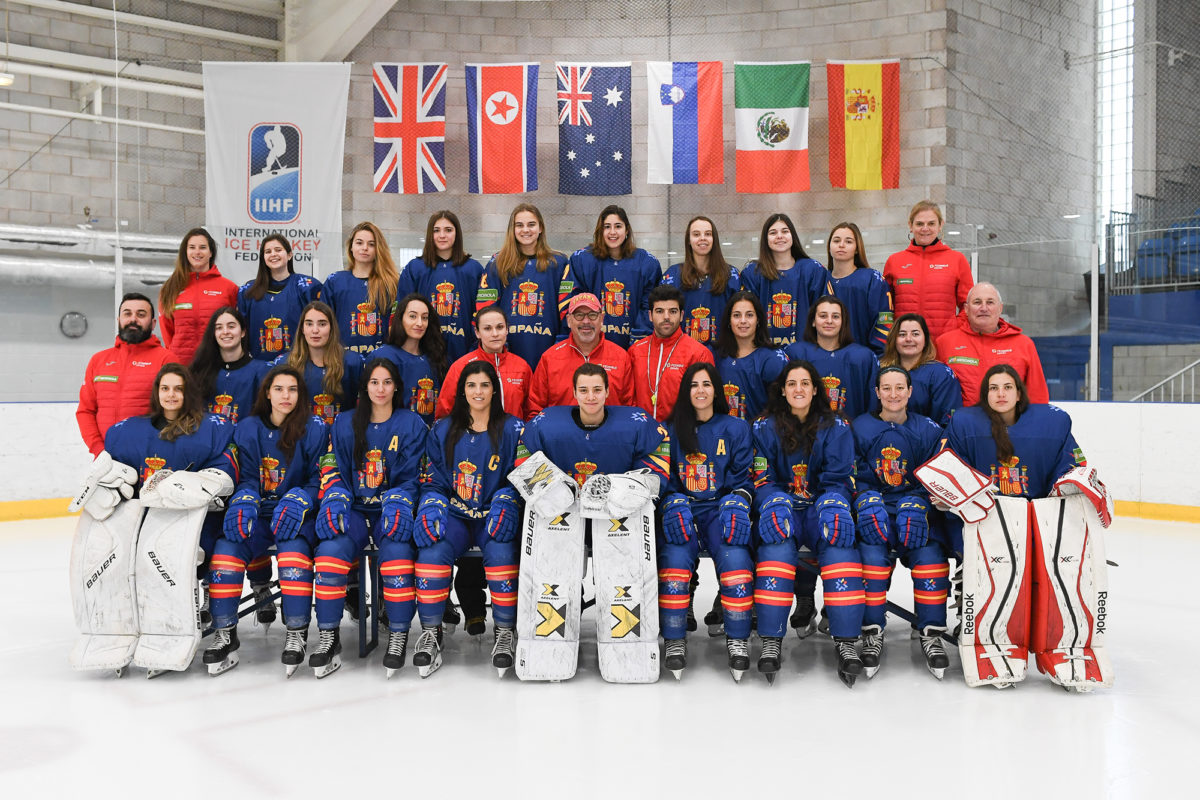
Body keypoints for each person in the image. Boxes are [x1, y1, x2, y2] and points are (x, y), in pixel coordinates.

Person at [939, 364, 1107, 689]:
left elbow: (1073, 466)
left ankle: (1058, 641)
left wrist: (1073, 485)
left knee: (1060, 575)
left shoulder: (1053, 423)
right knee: (989, 576)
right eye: (993, 388)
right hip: (986, 524)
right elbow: (951, 468)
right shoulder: (964, 423)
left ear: (1019, 393)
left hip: (1038, 523)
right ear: (985, 394)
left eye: (1007, 387)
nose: (1001, 394)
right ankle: (987, 636)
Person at [202, 365, 329, 676]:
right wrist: (244, 497)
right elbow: (244, 476)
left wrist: (303, 497)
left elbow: (319, 478)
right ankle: (225, 632)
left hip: (298, 515)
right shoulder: (246, 428)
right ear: (267, 393)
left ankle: (297, 633)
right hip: (258, 513)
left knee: (293, 556)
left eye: (292, 389)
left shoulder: (315, 427)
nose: (286, 396)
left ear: (301, 394)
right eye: (279, 389)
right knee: (226, 551)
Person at [311, 358, 429, 678]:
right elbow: (330, 466)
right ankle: (328, 636)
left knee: (396, 553)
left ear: (397, 387)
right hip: (355, 508)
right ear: (364, 387)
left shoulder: (412, 423)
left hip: (392, 511)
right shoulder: (345, 422)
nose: (381, 389)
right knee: (331, 551)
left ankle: (399, 634)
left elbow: (417, 476)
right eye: (374, 382)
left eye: (387, 382)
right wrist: (335, 495)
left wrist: (402, 499)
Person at [750, 359, 863, 686]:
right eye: (792, 384)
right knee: (775, 548)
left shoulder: (837, 426)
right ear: (783, 391)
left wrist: (833, 501)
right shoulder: (762, 426)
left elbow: (841, 477)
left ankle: (846, 641)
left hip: (819, 507)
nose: (798, 389)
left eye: (804, 383)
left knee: (840, 544)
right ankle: (771, 638)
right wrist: (772, 499)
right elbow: (761, 476)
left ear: (815, 389)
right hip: (782, 507)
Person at [408, 362, 525, 677]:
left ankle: (504, 632)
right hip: (457, 514)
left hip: (494, 517)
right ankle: (432, 632)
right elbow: (431, 479)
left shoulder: (514, 429)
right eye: (471, 385)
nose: (478, 391)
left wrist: (509, 499)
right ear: (462, 390)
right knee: (432, 551)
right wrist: (432, 502)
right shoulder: (444, 429)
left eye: (485, 385)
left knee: (502, 553)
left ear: (494, 390)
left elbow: (524, 477)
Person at [657, 363, 756, 681]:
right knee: (673, 562)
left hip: (719, 509)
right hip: (682, 508)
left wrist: (737, 501)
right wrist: (672, 500)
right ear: (686, 392)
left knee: (736, 559)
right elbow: (662, 477)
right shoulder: (669, 429)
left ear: (716, 390)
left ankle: (738, 639)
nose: (700, 390)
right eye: (694, 385)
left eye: (706, 384)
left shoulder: (736, 427)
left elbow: (744, 478)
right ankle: (673, 640)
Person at [851, 366, 949, 680]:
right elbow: (848, 473)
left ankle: (930, 630)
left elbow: (937, 477)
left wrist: (919, 501)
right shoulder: (859, 428)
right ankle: (871, 630)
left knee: (931, 559)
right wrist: (865, 499)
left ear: (909, 392)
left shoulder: (930, 430)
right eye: (887, 388)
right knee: (871, 562)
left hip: (915, 513)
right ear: (877, 392)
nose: (893, 395)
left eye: (900, 388)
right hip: (874, 511)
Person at [102, 363, 237, 576]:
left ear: (188, 392)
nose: (171, 394)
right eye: (165, 388)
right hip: (149, 518)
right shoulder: (129, 432)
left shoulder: (212, 428)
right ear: (157, 392)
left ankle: (209, 593)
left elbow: (224, 471)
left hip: (196, 519)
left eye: (178, 388)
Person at [515, 362, 670, 495]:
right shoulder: (545, 423)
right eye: (583, 390)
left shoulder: (638, 422)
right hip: (561, 511)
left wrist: (627, 493)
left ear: (607, 392)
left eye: (597, 390)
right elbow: (525, 453)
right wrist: (556, 496)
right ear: (574, 393)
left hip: (618, 512)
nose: (591, 397)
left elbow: (657, 464)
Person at [76, 292, 178, 456]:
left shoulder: (166, 360)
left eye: (141, 314)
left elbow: (177, 412)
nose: (133, 319)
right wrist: (99, 450)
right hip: (106, 458)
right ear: (118, 320)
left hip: (152, 458)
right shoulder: (99, 360)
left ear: (153, 324)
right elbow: (85, 411)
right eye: (127, 313)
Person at [476, 203, 568, 369]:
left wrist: (560, 345)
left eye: (531, 224)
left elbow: (566, 309)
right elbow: (485, 309)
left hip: (548, 350)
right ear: (512, 229)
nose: (526, 230)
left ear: (541, 228)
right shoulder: (497, 263)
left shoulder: (559, 263)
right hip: (508, 352)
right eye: (519, 225)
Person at [562, 205, 662, 348]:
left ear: (627, 230)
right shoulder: (581, 260)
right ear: (600, 231)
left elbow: (651, 306)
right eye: (607, 227)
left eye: (618, 226)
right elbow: (571, 300)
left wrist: (639, 338)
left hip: (633, 346)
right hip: (591, 345)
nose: (612, 232)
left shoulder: (647, 263)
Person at [935, 282, 1050, 407]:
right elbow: (936, 391)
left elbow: (1038, 397)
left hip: (1009, 424)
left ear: (1000, 308)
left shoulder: (1024, 344)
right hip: (963, 424)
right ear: (966, 309)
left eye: (990, 302)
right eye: (977, 302)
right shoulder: (945, 343)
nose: (984, 308)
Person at [526, 292, 634, 418]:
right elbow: (534, 411)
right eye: (579, 315)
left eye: (592, 315)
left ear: (602, 319)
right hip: (560, 436)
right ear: (569, 321)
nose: (586, 321)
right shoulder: (549, 358)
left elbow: (630, 410)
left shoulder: (621, 357)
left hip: (608, 436)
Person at [397, 211, 485, 363]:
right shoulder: (415, 268)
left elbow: (482, 313)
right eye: (436, 230)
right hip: (423, 351)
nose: (442, 235)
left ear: (457, 233)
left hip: (464, 351)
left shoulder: (474, 269)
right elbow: (401, 312)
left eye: (448, 230)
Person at [882, 200, 973, 340]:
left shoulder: (957, 260)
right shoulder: (894, 261)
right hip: (905, 344)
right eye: (919, 224)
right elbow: (884, 307)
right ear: (910, 226)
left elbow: (969, 305)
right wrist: (892, 333)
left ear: (940, 225)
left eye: (931, 223)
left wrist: (954, 329)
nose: (925, 229)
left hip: (942, 343)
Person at [738, 213, 832, 347]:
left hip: (805, 352)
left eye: (785, 231)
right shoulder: (753, 272)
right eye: (773, 232)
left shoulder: (813, 270)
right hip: (764, 352)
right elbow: (745, 315)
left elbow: (825, 311)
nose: (779, 236)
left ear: (792, 235)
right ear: (766, 239)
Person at [628, 285, 715, 422]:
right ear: (650, 315)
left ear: (681, 316)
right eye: (660, 311)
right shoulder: (635, 351)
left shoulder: (699, 353)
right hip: (643, 434)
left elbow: (705, 404)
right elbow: (629, 398)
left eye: (673, 311)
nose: (666, 317)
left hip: (681, 435)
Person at [785, 295, 879, 421]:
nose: (829, 321)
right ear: (813, 321)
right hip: (805, 433)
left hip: (851, 435)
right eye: (823, 316)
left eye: (835, 316)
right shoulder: (795, 353)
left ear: (843, 321)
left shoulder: (863, 357)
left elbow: (873, 403)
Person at [275, 301, 365, 426]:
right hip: (300, 436)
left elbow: (364, 407)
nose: (315, 330)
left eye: (322, 324)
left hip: (341, 436)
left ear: (331, 328)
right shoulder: (285, 363)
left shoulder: (352, 362)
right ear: (302, 328)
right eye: (309, 324)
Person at [157, 228, 238, 365]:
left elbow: (237, 327)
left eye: (203, 247)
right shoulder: (170, 288)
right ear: (185, 252)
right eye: (192, 247)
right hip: (181, 365)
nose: (197, 252)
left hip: (216, 365)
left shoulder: (229, 288)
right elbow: (167, 331)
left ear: (211, 252)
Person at [436, 304, 532, 421]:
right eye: (487, 328)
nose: (495, 334)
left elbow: (530, 411)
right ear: (477, 332)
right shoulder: (461, 366)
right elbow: (444, 413)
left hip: (513, 437)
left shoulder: (522, 367)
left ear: (507, 329)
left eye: (500, 327)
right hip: (473, 437)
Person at [237, 233, 323, 361]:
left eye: (278, 250)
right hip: (260, 365)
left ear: (289, 255)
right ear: (263, 258)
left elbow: (322, 325)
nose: (273, 254)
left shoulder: (308, 286)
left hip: (299, 364)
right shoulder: (247, 291)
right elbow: (241, 330)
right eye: (268, 251)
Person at [370, 293, 450, 427]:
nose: (420, 323)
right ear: (400, 318)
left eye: (424, 318)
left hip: (430, 437)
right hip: (395, 436)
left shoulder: (437, 357)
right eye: (412, 316)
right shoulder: (383, 356)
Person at [322, 221, 400, 355]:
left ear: (378, 249)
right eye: (359, 243)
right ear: (350, 247)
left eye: (371, 244)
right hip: (343, 361)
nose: (365, 248)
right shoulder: (335, 281)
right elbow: (323, 323)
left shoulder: (392, 283)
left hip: (381, 362)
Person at [662, 215, 741, 346]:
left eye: (708, 234)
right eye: (696, 234)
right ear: (688, 240)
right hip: (682, 353)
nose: (702, 238)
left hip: (721, 354)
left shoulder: (731, 275)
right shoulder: (672, 275)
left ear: (714, 239)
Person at [711, 290, 788, 422]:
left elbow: (782, 409)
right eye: (736, 315)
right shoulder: (714, 355)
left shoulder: (772, 359)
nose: (743, 321)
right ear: (728, 320)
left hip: (759, 437)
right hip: (722, 437)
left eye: (749, 315)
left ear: (758, 319)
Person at [877, 312, 961, 426]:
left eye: (915, 334)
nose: (908, 339)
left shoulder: (940, 374)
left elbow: (946, 421)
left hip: (926, 440)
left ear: (925, 339)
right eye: (902, 334)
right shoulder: (880, 369)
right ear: (894, 339)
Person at [190, 306, 272, 424]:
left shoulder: (262, 371)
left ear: (243, 332)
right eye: (219, 328)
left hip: (245, 440)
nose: (225, 332)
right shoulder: (200, 371)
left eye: (231, 326)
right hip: (210, 441)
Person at [826, 221, 892, 354]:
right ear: (829, 247)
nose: (841, 245)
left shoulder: (872, 279)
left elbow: (885, 320)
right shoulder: (819, 280)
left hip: (863, 359)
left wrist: (876, 357)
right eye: (836, 240)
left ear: (857, 248)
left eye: (849, 241)